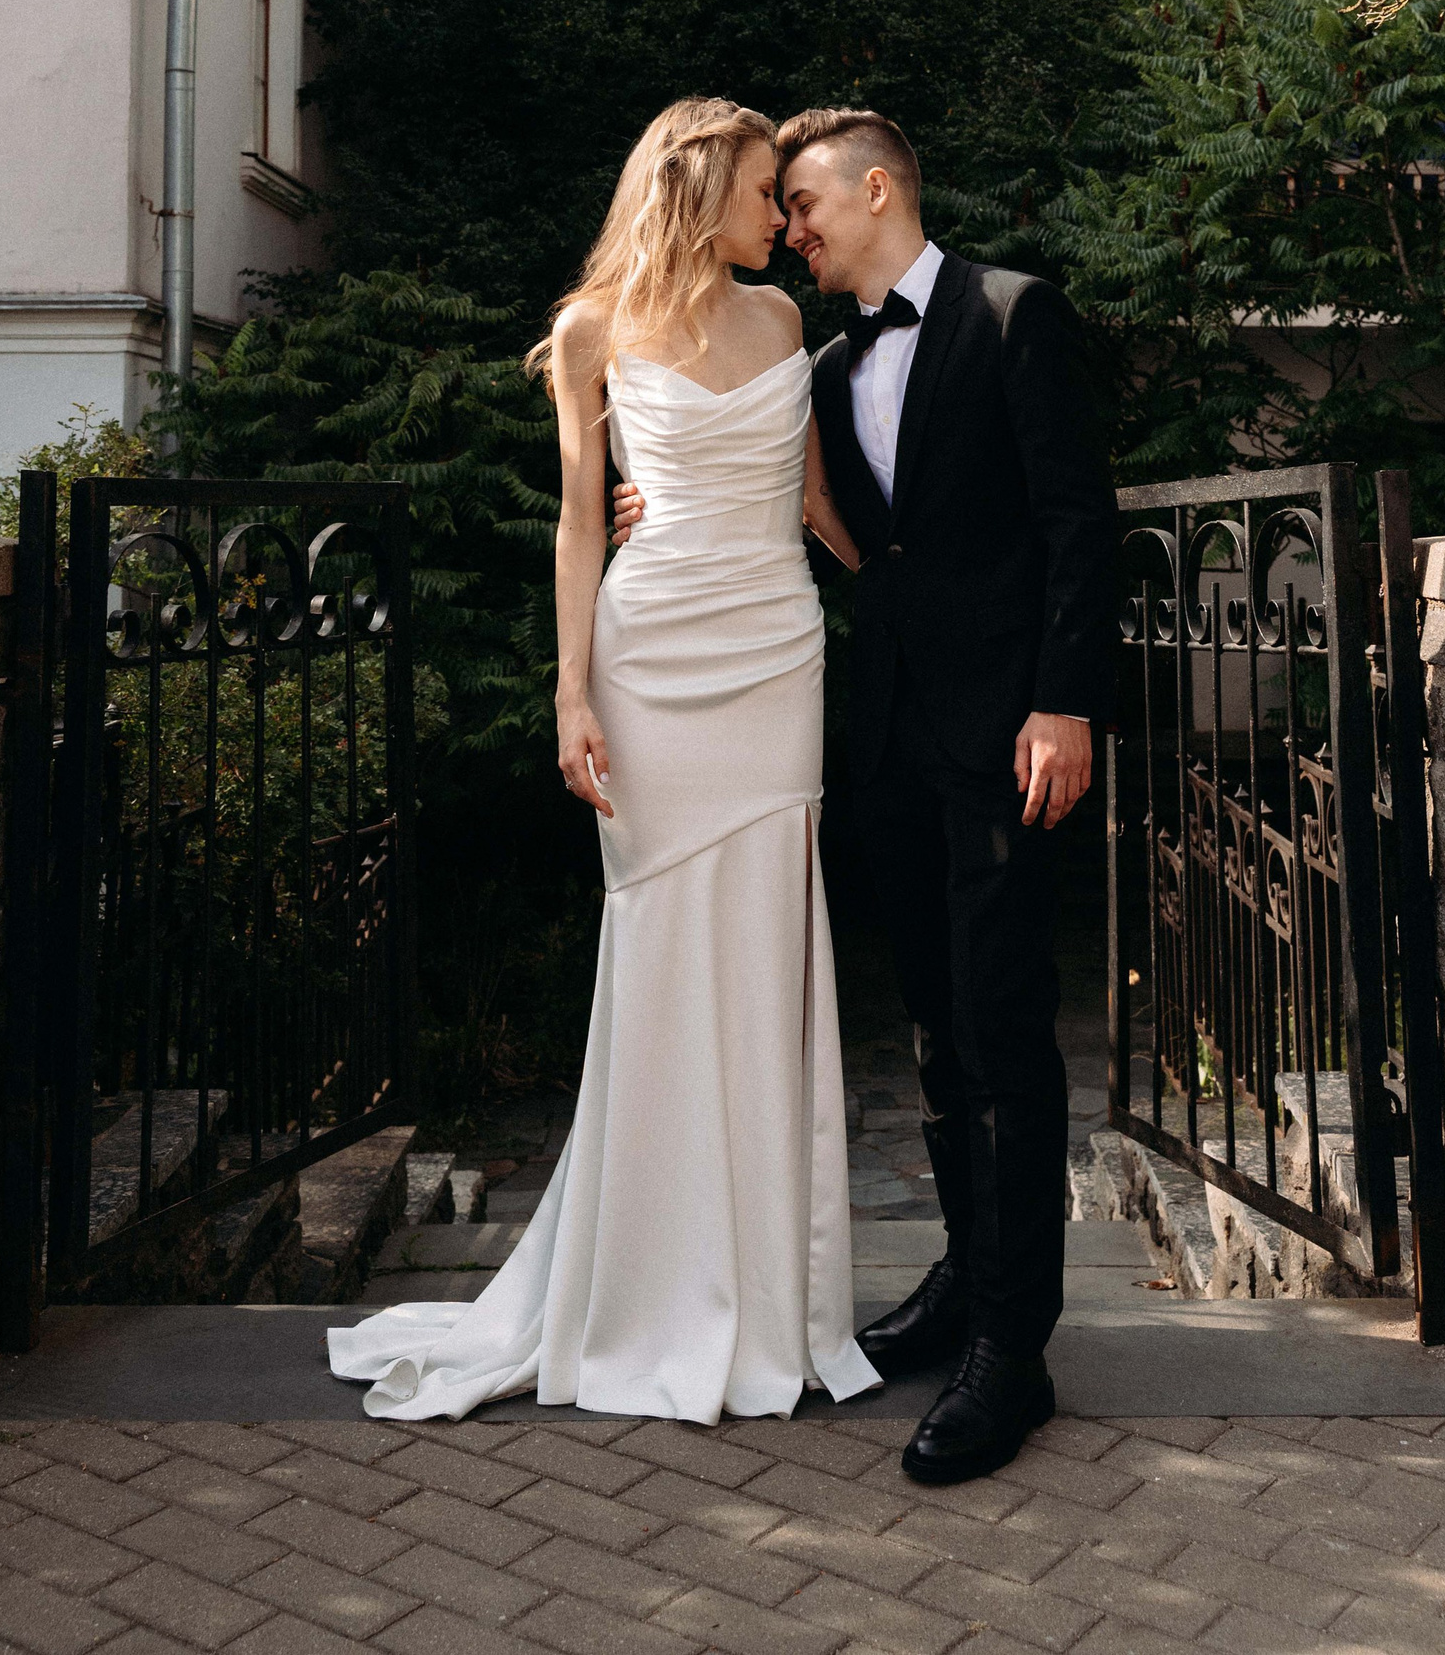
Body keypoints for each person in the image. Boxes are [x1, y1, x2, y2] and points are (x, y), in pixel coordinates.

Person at [327, 99, 880, 1424]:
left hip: (775, 655)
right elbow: (582, 525)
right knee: (659, 951)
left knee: (769, 952)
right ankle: (646, 1284)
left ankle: (768, 1294)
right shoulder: (591, 330)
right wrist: (571, 692)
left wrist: (927, 587)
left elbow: (814, 500)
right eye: (764, 191)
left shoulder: (783, 323)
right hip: (650, 665)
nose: (782, 216)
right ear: (700, 188)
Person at [616, 107, 1122, 1486]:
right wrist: (655, 508)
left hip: (1011, 742)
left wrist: (1064, 702)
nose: (790, 230)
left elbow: (1078, 522)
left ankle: (1014, 1349)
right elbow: (831, 526)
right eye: (779, 209)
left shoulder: (1014, 315)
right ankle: (965, 1279)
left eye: (805, 204)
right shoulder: (828, 362)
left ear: (878, 186)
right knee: (935, 1035)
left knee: (1005, 1034)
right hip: (886, 746)